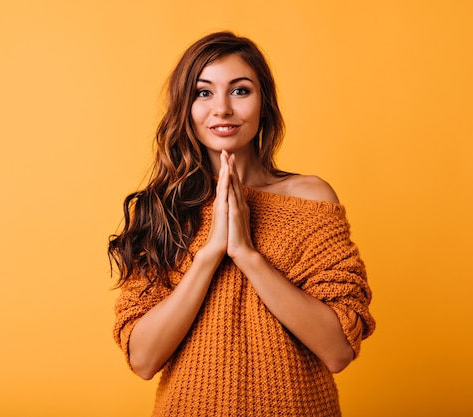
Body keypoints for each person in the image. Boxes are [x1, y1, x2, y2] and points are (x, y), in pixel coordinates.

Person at [109, 31, 375, 417]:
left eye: (240, 91)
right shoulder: (161, 209)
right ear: (185, 108)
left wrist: (246, 253)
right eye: (203, 93)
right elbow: (144, 358)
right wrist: (210, 252)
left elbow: (338, 351)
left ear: (264, 104)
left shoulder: (311, 199)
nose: (222, 109)